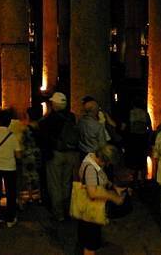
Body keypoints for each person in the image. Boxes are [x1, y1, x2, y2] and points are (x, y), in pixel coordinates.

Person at [75, 144, 126, 255]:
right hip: (90, 213)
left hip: (90, 212)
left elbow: (101, 179)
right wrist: (113, 197)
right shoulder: (90, 169)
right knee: (90, 246)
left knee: (91, 241)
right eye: (108, 163)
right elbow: (92, 192)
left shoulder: (92, 160)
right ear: (104, 160)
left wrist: (114, 187)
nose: (107, 166)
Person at [39, 92, 80, 221]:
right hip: (71, 153)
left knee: (55, 184)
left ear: (54, 104)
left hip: (56, 154)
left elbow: (44, 138)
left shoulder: (48, 119)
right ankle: (68, 209)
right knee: (66, 183)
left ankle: (59, 213)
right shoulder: (71, 117)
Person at [0, 109, 22, 227]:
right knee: (11, 194)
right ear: (9, 122)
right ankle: (10, 219)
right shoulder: (12, 136)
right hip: (10, 168)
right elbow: (18, 154)